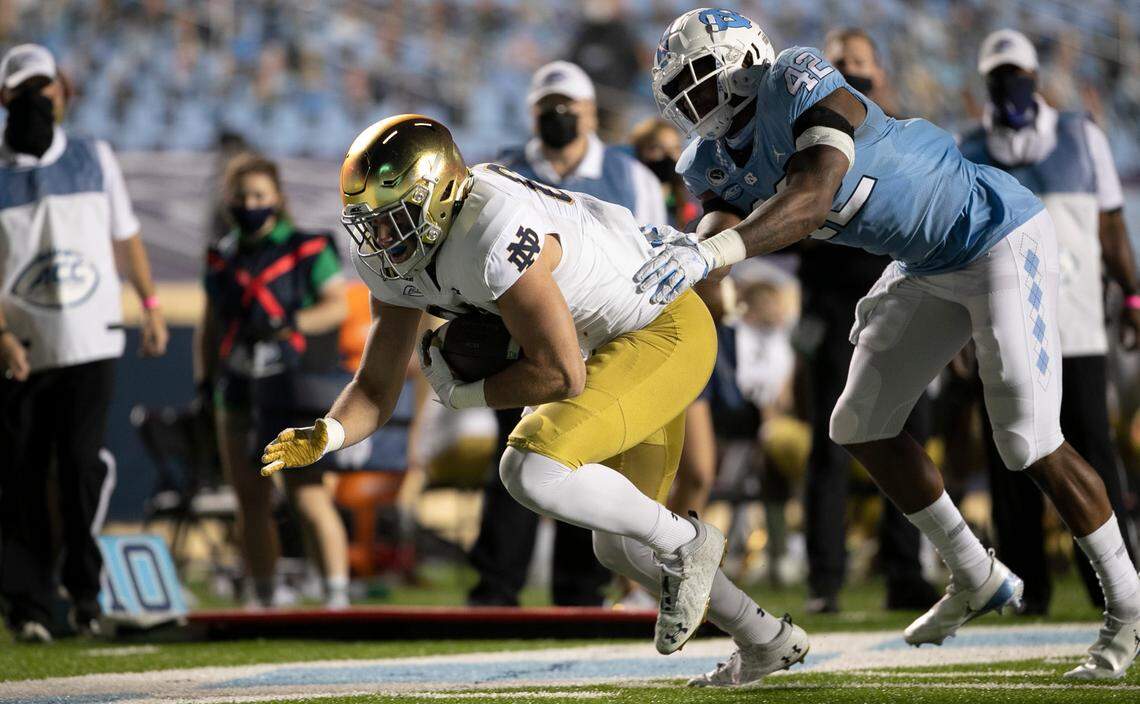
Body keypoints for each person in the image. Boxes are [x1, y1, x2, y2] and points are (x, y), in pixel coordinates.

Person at [638, 8, 1140, 680]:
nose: (693, 102)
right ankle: (972, 571)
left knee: (1025, 438)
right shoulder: (706, 157)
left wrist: (712, 254)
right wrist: (673, 270)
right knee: (858, 424)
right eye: (681, 91)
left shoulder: (796, 75)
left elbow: (814, 196)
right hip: (923, 261)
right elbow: (715, 239)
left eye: (701, 81)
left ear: (745, 60)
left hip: (993, 232)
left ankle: (1129, 605)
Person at [261, 114, 808, 685]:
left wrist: (463, 394)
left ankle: (689, 540)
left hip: (663, 329)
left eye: (393, 219)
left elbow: (562, 375)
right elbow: (375, 387)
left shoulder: (490, 230)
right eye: (369, 223)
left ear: (440, 195)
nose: (380, 239)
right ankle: (765, 637)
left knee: (531, 468)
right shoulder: (404, 254)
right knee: (619, 547)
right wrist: (328, 433)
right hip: (610, 343)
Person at [467, 60, 666, 608]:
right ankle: (497, 586)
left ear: (590, 113)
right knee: (510, 458)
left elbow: (651, 253)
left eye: (567, 107)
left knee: (582, 460)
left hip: (599, 338)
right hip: (519, 340)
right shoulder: (503, 171)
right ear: (532, 114)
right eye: (547, 108)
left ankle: (579, 591)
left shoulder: (630, 176)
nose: (557, 116)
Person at [958, 29, 1140, 614]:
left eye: (1017, 73)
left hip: (1078, 325)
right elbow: (955, 243)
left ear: (1035, 77)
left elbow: (1111, 226)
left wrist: (1133, 297)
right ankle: (1026, 587)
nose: (1010, 85)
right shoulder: (968, 147)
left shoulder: (1083, 136)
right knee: (1012, 457)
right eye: (999, 76)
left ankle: (1112, 580)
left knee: (1091, 449)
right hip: (1001, 324)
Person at [0, 44, 168, 642]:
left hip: (93, 339)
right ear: (4, 99)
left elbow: (127, 237)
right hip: (22, 348)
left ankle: (84, 592)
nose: (35, 102)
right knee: (20, 473)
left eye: (42, 89)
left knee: (76, 466)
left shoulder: (95, 157)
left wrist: (149, 304)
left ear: (63, 92)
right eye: (22, 92)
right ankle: (28, 605)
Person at [796, 27, 936, 614]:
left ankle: (907, 572)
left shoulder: (903, 136)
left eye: (860, 63)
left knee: (908, 440)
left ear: (879, 71)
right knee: (831, 448)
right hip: (832, 315)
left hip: (904, 306)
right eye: (839, 64)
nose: (852, 73)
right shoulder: (801, 142)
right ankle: (826, 580)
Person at [196, 153, 350, 609]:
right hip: (239, 387)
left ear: (278, 198)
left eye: (259, 195)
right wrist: (205, 380)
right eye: (242, 196)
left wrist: (288, 322)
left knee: (307, 497)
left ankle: (337, 597)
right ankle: (263, 598)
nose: (250, 203)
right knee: (250, 501)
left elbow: (336, 306)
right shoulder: (221, 258)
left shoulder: (308, 247)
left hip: (293, 388)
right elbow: (209, 327)